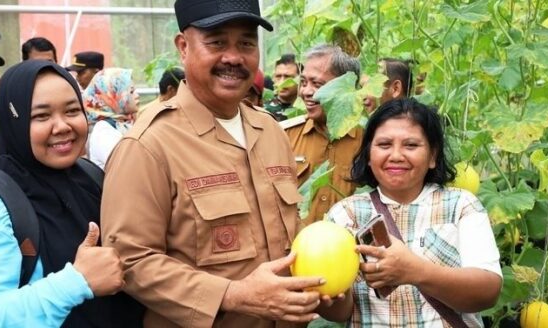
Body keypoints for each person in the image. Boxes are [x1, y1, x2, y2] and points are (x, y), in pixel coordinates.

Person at [100, 0, 348, 326]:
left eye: (246, 42)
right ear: (183, 47)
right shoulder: (148, 145)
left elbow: (286, 232)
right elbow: (129, 260)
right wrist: (234, 294)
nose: (234, 57)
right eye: (217, 42)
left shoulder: (271, 131)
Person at [0, 60, 139, 327]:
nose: (62, 126)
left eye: (71, 111)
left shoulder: (89, 176)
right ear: (13, 122)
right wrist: (76, 282)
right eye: (41, 116)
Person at [326, 98, 502, 326]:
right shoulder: (345, 214)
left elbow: (487, 292)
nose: (396, 155)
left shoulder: (461, 205)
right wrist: (328, 294)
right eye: (384, 145)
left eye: (411, 145)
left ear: (432, 156)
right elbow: (341, 313)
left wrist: (415, 271)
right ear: (369, 155)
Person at [283, 44, 363, 225]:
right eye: (303, 83)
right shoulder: (284, 136)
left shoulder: (370, 139)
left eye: (317, 84)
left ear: (346, 87)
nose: (306, 91)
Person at [84, 68, 139, 169]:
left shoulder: (125, 122)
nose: (137, 95)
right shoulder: (104, 131)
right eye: (131, 91)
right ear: (111, 97)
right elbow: (128, 166)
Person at [265, 53, 302, 120]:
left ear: (300, 79)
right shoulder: (265, 111)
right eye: (278, 76)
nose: (282, 82)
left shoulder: (308, 108)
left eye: (288, 77)